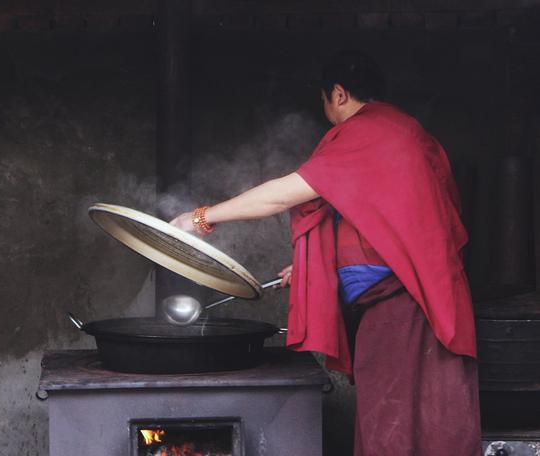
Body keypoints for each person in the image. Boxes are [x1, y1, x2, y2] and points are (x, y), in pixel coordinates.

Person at [170, 50, 481, 456]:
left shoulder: (370, 131)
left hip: (407, 309)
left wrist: (202, 217)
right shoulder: (403, 133)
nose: (326, 111)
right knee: (407, 428)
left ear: (338, 93)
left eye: (323, 102)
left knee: (395, 432)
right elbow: (386, 220)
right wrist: (317, 265)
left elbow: (283, 194)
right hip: (411, 303)